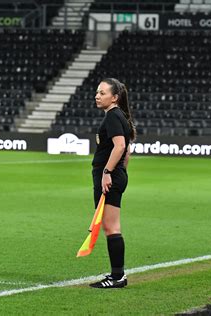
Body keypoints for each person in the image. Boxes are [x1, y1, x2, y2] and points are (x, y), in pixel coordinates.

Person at [89, 78, 136, 289]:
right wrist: (120, 172)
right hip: (115, 176)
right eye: (97, 92)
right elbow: (127, 152)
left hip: (109, 177)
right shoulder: (118, 116)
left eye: (102, 93)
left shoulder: (113, 116)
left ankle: (117, 277)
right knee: (111, 226)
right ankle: (117, 275)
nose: (97, 96)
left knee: (111, 227)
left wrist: (108, 172)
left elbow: (119, 147)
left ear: (114, 97)